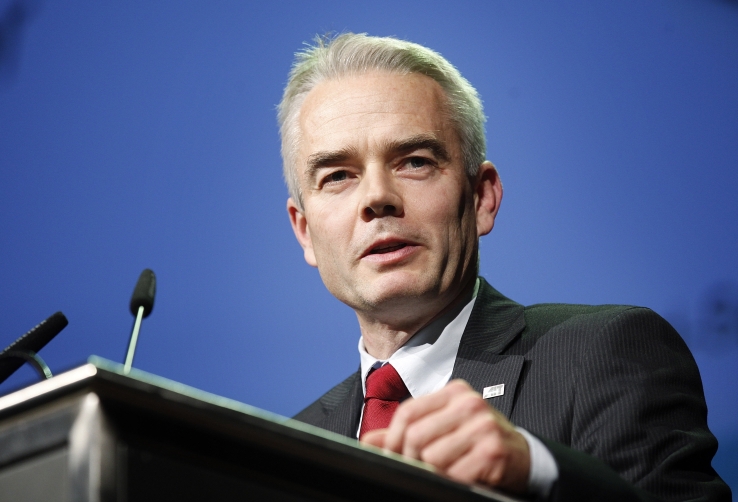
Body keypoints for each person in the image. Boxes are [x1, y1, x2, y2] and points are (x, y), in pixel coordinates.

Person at [278, 33, 731, 501]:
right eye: (338, 176)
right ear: (305, 230)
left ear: (481, 198)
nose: (377, 197)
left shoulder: (604, 356)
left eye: (414, 162)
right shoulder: (290, 447)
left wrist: (537, 472)